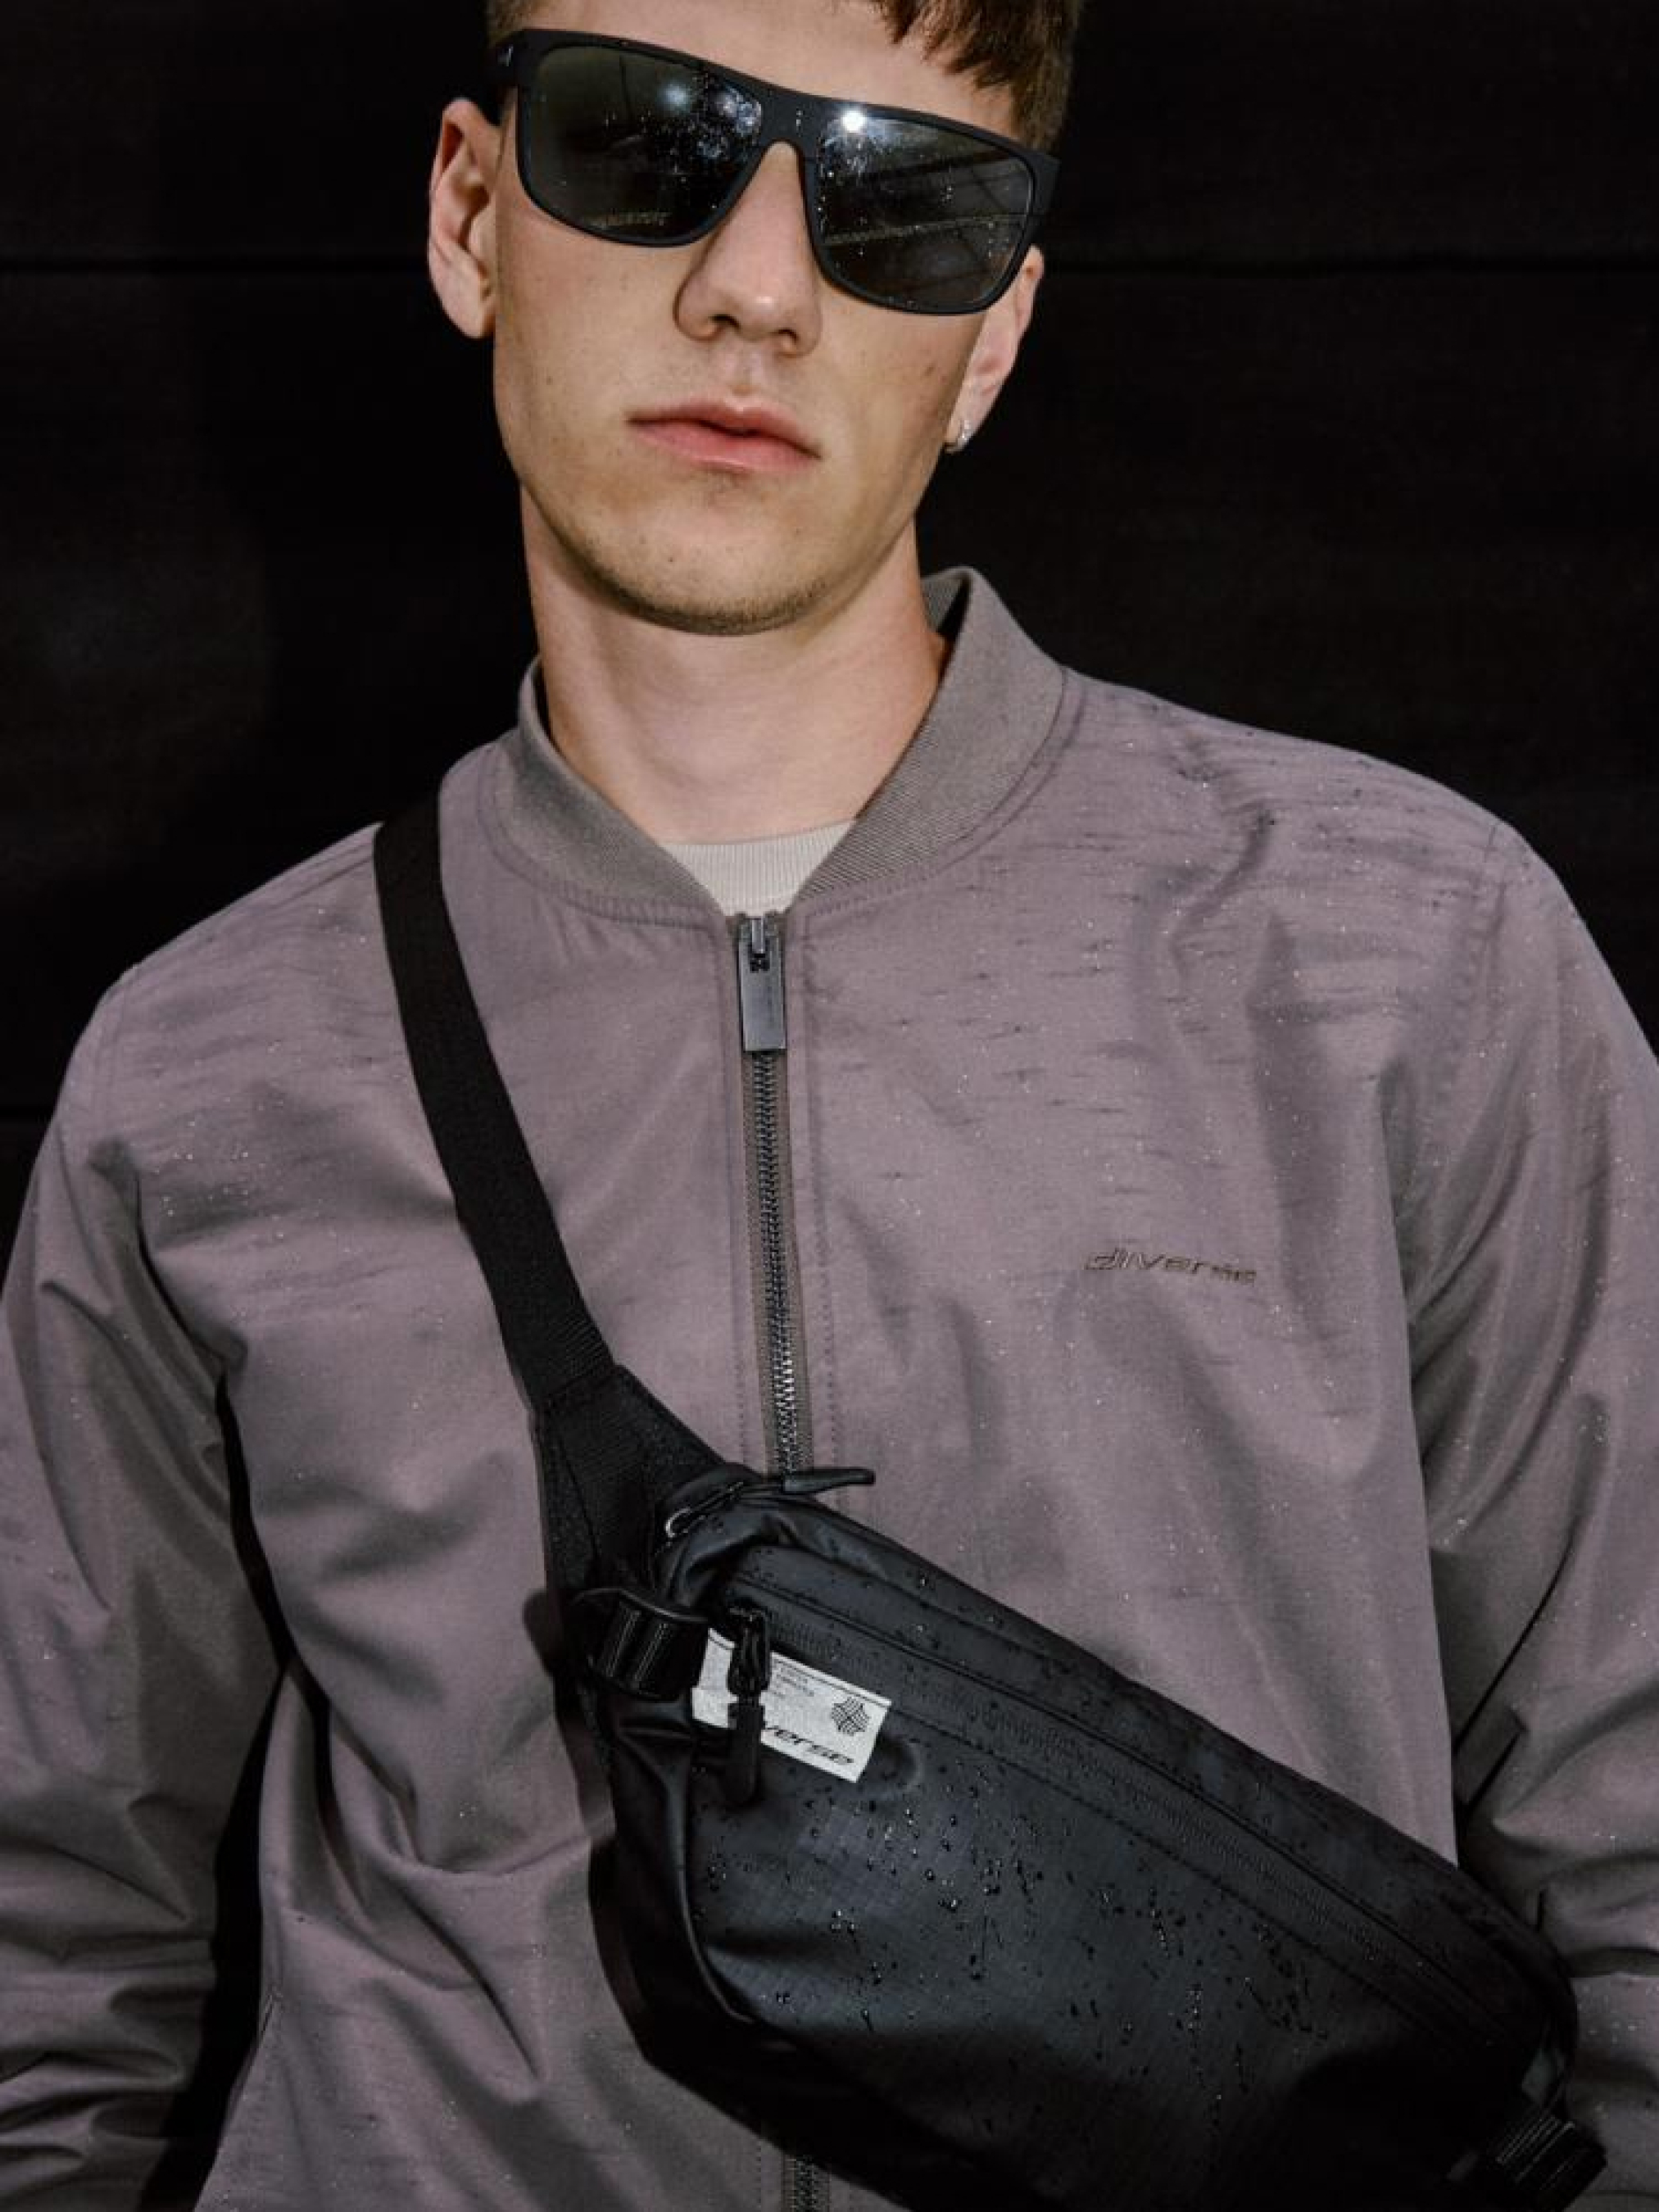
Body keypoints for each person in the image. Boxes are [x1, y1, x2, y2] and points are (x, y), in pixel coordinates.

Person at [1, 0, 1655, 2205]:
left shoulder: (1402, 957)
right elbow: (44, 1945)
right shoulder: (203, 1071)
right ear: (471, 214)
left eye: (899, 202)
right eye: (645, 142)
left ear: (992, 337)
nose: (759, 288)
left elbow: (1638, 1811)